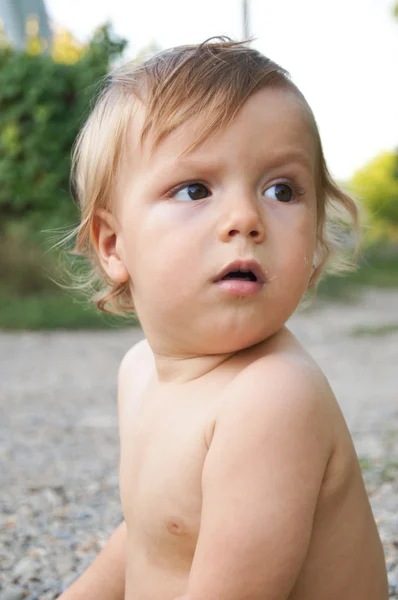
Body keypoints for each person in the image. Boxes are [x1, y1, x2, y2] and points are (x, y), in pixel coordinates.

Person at [58, 37, 389, 599]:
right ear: (114, 245)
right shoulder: (138, 371)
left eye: (281, 189)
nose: (245, 218)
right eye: (195, 189)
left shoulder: (272, 399)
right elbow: (149, 536)